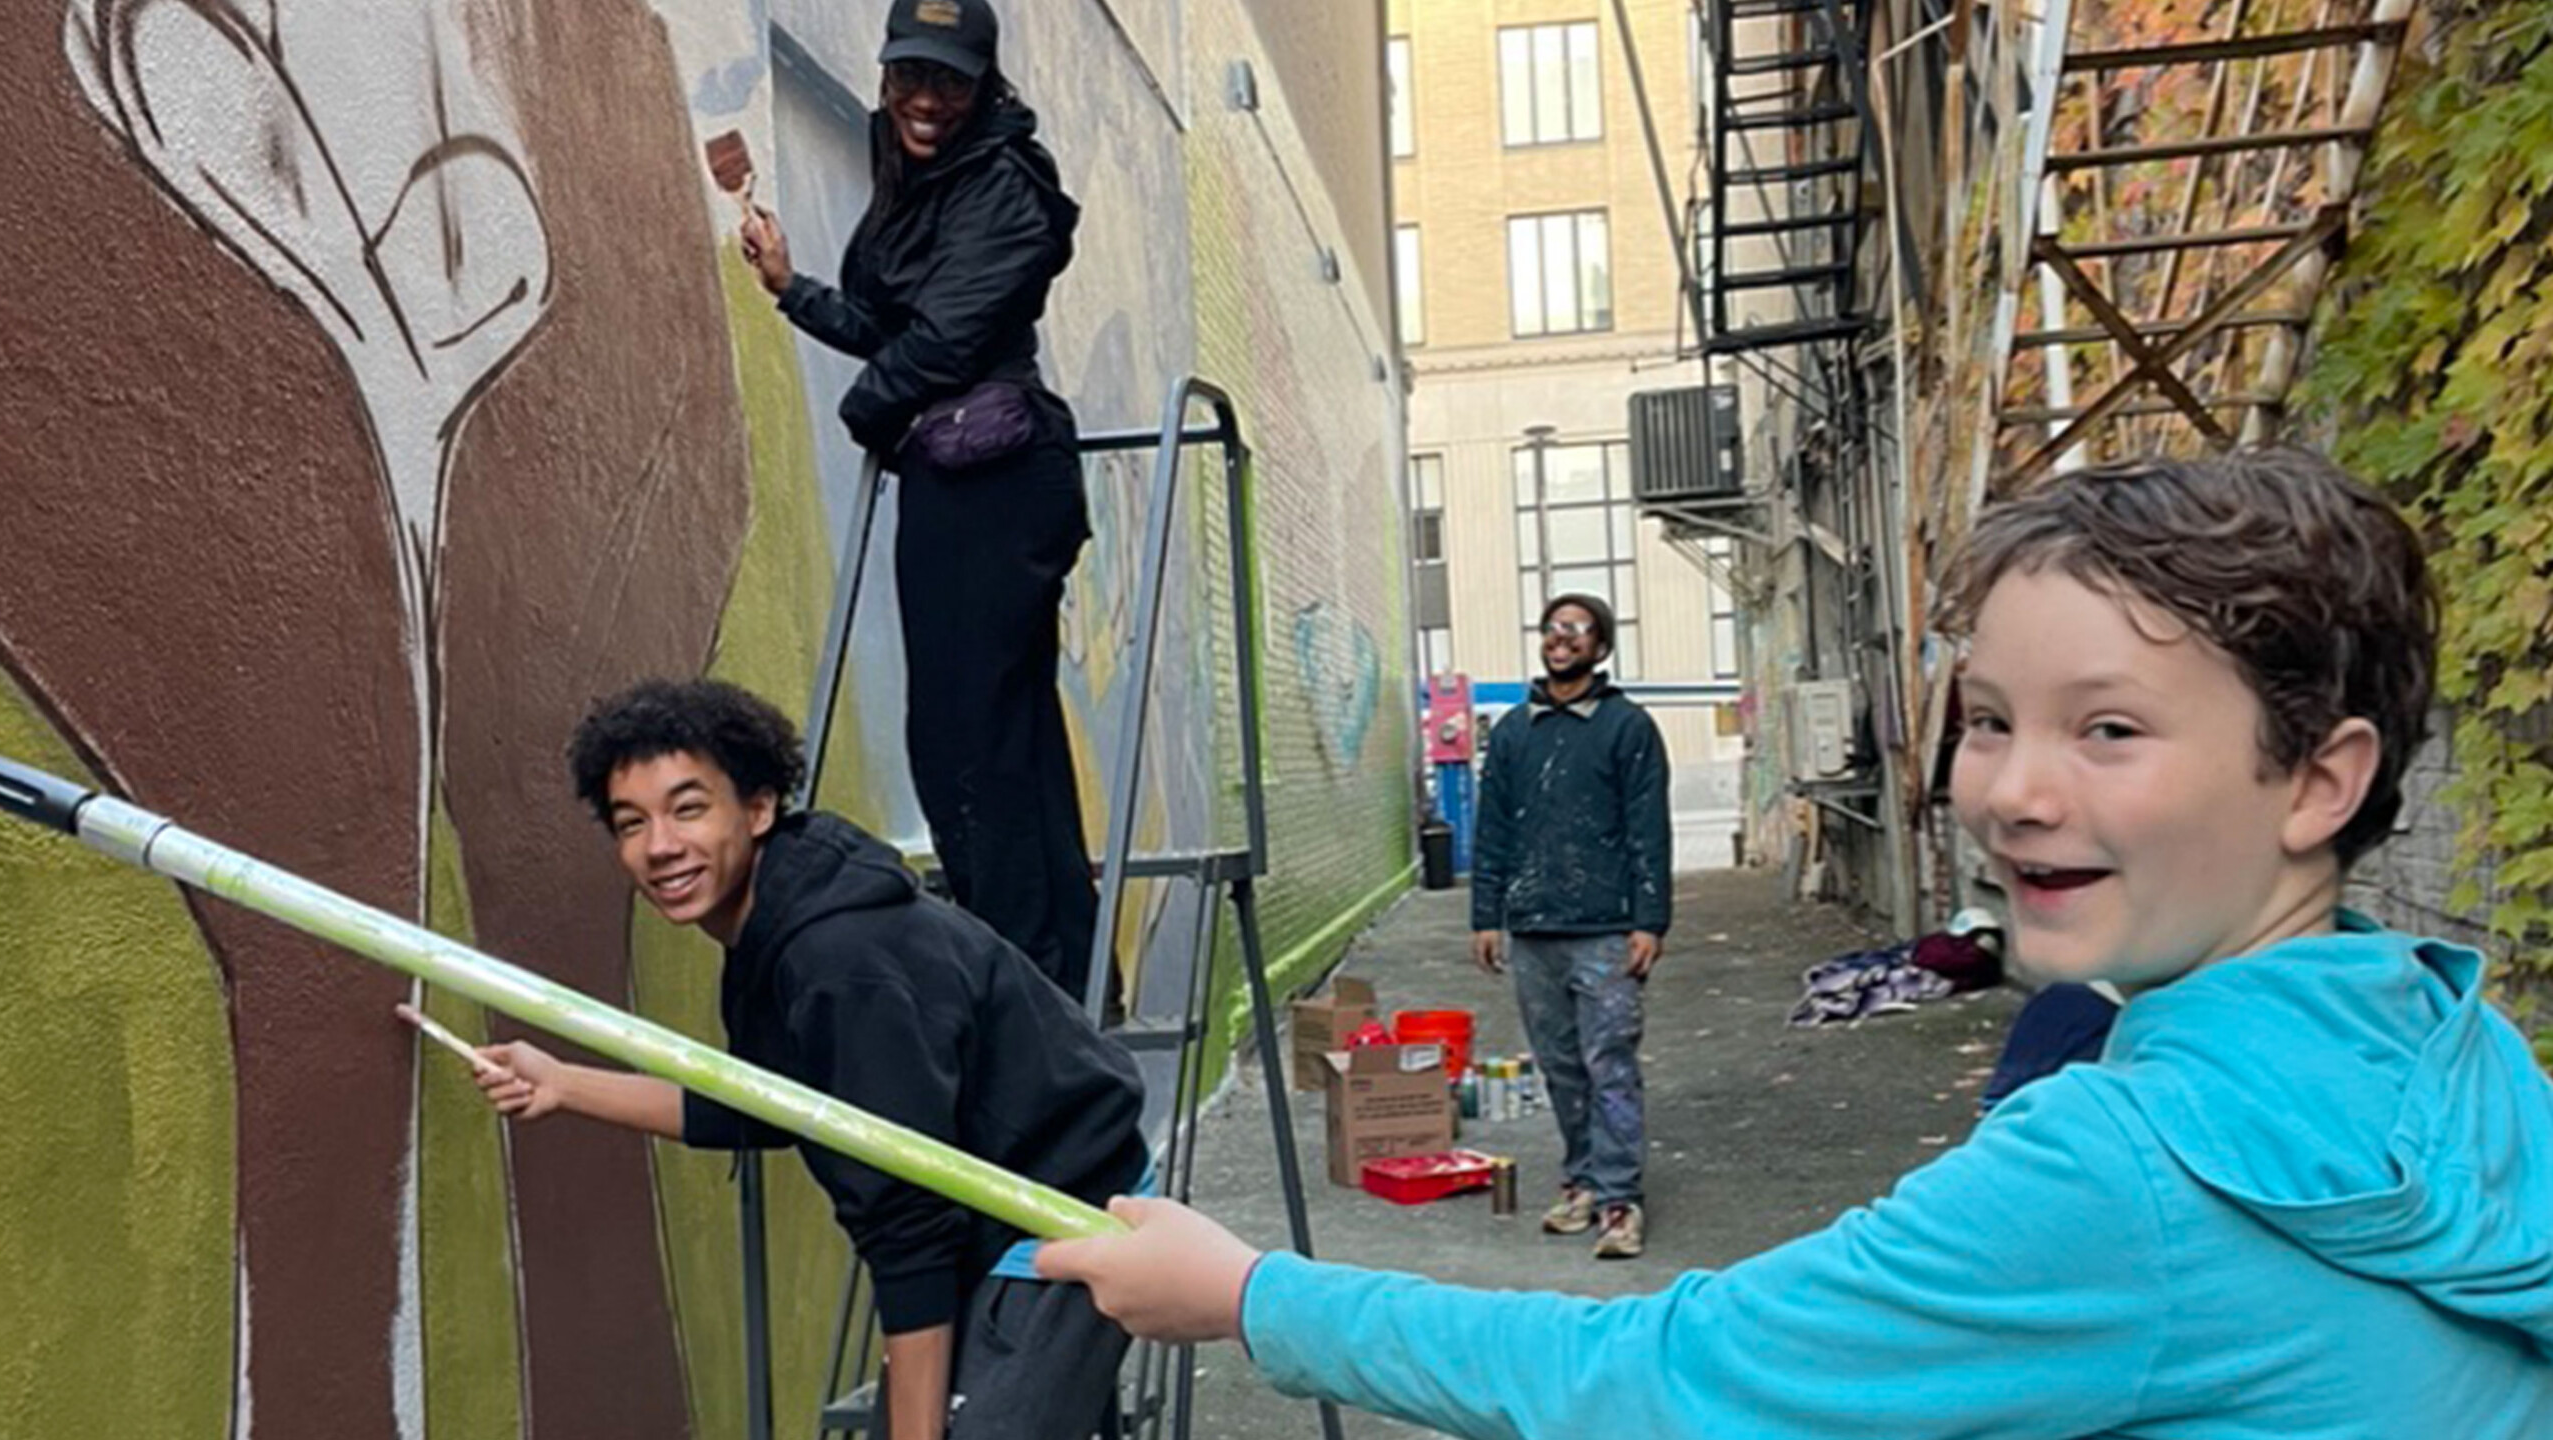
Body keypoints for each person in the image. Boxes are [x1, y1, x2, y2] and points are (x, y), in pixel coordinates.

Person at [1037, 449, 2553, 1438]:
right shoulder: (2450, 1036)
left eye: (2109, 729)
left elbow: (1661, 1381)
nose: (2012, 792)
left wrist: (1247, 1297)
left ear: (2325, 779)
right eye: (1992, 722)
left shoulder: (2116, 1174)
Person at [470, 679, 1146, 1440]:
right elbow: (772, 1102)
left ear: (757, 808)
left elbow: (909, 1224)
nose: (659, 846)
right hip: (994, 1208)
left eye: (688, 808)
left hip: (1065, 1212)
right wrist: (560, 1083)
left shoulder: (836, 961)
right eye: (632, 823)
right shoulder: (779, 912)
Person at [737, 0, 1104, 1005]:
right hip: (957, 482)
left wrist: (869, 414)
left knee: (971, 744)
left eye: (947, 79)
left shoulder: (1004, 188)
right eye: (909, 75)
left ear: (984, 85)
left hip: (999, 482)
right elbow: (900, 327)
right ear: (887, 73)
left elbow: (940, 345)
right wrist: (790, 288)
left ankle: (1023, 978)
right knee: (983, 740)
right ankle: (1051, 976)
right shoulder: (928, 179)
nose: (925, 99)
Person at [1468, 592, 1670, 1258]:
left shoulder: (1627, 728)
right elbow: (1492, 829)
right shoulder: (1514, 733)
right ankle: (1581, 1180)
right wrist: (1486, 916)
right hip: (1533, 932)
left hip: (1607, 931)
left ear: (1601, 649)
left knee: (1609, 1064)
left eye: (1579, 631)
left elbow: (1648, 832)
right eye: (1555, 628)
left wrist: (1650, 920)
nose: (1563, 639)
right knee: (1560, 1068)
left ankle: (1619, 1202)